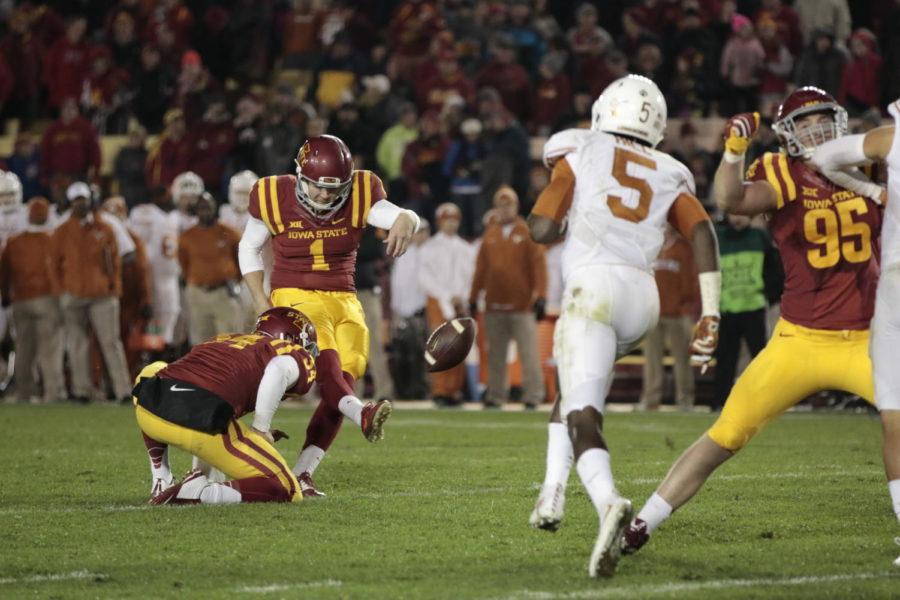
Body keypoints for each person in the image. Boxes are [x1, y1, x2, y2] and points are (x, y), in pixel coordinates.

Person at [620, 87, 886, 565]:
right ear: (787, 135)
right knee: (726, 434)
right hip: (798, 340)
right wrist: (733, 152)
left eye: (823, 118)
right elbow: (733, 199)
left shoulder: (866, 163)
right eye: (805, 122)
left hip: (867, 339)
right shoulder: (783, 172)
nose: (817, 128)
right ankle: (642, 524)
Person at [526, 75, 720, 577]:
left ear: (603, 111)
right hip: (643, 298)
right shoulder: (671, 168)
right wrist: (711, 310)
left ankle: (608, 500)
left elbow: (541, 228)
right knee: (573, 392)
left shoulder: (581, 147)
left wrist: (562, 215)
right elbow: (701, 231)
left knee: (583, 414)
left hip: (595, 288)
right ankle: (550, 495)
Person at [238, 134, 419, 496]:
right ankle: (362, 415)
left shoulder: (362, 189)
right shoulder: (273, 194)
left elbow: (389, 212)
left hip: (345, 297)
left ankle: (303, 473)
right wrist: (261, 300)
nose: (325, 196)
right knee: (329, 369)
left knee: (345, 380)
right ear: (301, 176)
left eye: (333, 189)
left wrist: (406, 217)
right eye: (318, 187)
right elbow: (249, 245)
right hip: (295, 293)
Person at [808, 99, 900, 567]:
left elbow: (824, 159)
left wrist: (873, 190)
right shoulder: (890, 138)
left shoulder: (892, 137)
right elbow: (823, 160)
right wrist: (874, 191)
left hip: (895, 292)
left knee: (896, 419)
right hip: (893, 293)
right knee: (894, 418)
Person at [135, 307, 317, 504]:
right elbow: (279, 369)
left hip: (148, 405)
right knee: (287, 487)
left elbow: (202, 383)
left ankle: (161, 478)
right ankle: (201, 494)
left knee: (154, 370)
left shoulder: (224, 339)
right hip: (199, 419)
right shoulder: (289, 351)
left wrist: (203, 472)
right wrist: (261, 429)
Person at [52, 182, 132, 404]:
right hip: (73, 294)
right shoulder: (61, 230)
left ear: (90, 200)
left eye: (83, 199)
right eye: (77, 200)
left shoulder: (104, 227)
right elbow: (54, 264)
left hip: (102, 295)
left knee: (110, 342)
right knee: (77, 343)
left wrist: (115, 288)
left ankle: (123, 390)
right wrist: (61, 291)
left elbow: (115, 261)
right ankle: (81, 390)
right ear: (71, 203)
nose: (81, 203)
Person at [470, 186, 546, 409]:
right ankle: (495, 395)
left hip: (522, 306)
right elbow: (481, 269)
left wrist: (541, 296)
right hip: (494, 305)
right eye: (501, 205)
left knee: (529, 353)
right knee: (495, 355)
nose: (505, 209)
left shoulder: (526, 232)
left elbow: (539, 267)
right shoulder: (490, 234)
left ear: (516, 206)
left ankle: (533, 395)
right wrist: (473, 297)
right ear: (496, 207)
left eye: (509, 204)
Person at [711, 212, 782, 411]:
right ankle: (721, 402)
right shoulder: (718, 237)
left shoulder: (760, 237)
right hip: (726, 309)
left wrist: (771, 295)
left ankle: (767, 401)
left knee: (760, 358)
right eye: (734, 213)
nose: (738, 218)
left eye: (742, 213)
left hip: (754, 307)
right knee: (725, 359)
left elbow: (774, 268)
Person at [0, 198, 64, 403]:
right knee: (50, 348)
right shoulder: (53, 240)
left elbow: (4, 273)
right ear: (46, 216)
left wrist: (6, 296)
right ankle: (53, 393)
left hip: (20, 299)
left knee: (23, 348)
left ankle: (24, 392)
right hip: (47, 299)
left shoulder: (14, 241)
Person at [419, 203, 476, 406]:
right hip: (438, 301)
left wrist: (462, 296)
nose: (451, 224)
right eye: (447, 219)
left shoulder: (466, 248)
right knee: (441, 346)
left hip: (460, 303)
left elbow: (471, 277)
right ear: (439, 221)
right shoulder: (429, 247)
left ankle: (454, 391)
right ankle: (440, 390)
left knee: (459, 347)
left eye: (454, 220)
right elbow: (424, 278)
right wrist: (446, 295)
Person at [639, 226, 700, 411]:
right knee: (651, 360)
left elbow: (691, 278)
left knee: (681, 359)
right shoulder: (648, 246)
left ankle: (685, 399)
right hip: (652, 313)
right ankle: (651, 399)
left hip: (678, 313)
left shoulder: (684, 248)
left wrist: (687, 305)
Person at [178, 193, 241, 345]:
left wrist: (234, 280)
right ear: (196, 210)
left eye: (208, 207)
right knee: (202, 343)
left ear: (215, 208)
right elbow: (184, 264)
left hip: (223, 293)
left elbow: (240, 260)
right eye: (201, 207)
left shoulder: (230, 233)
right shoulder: (187, 236)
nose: (205, 211)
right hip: (197, 294)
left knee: (228, 343)